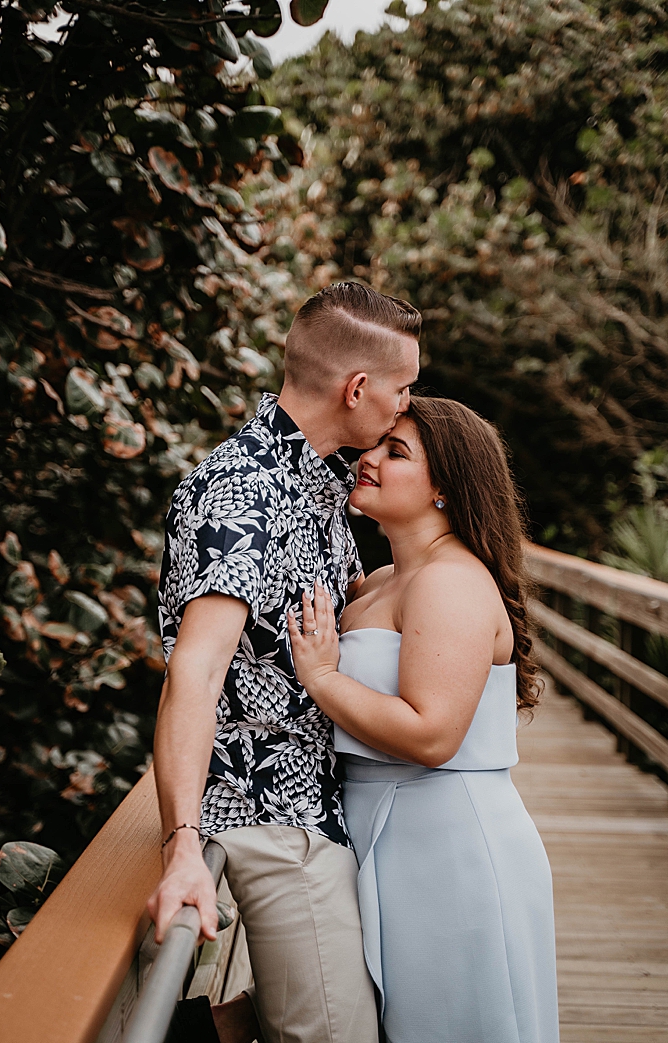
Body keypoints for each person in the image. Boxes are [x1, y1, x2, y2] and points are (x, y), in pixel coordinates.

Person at [149, 282, 422, 1043]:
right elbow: (196, 669)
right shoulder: (247, 490)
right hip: (271, 817)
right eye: (403, 390)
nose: (404, 406)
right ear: (358, 388)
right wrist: (181, 847)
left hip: (314, 809)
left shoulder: (318, 487)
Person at [287, 397, 558, 1042]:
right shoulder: (382, 579)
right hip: (387, 832)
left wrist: (322, 678)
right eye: (375, 446)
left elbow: (432, 734)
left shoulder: (450, 582)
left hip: (449, 843)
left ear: (444, 487)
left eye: (395, 453)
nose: (368, 459)